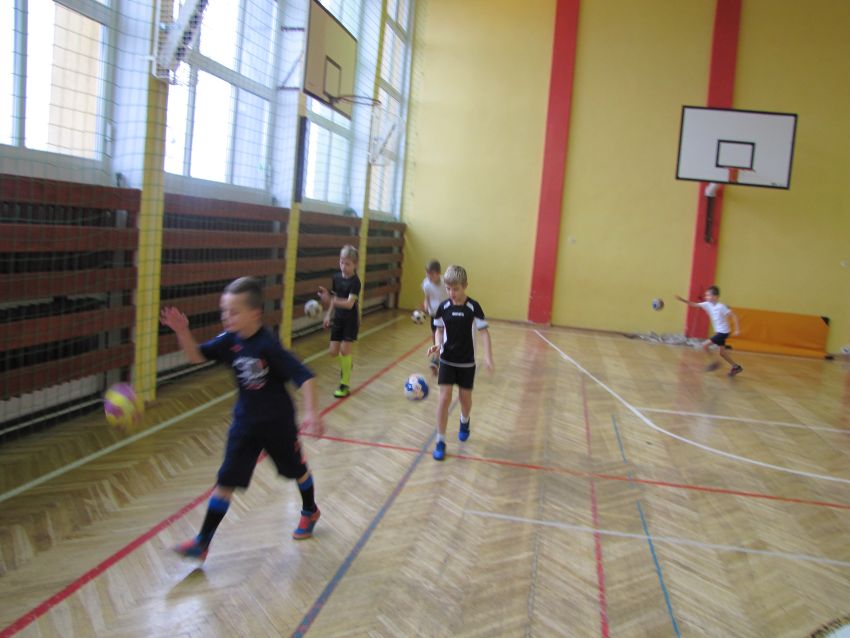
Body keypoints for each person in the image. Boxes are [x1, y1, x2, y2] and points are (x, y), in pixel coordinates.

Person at [160, 277, 324, 561]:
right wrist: (183, 331)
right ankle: (202, 542)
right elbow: (196, 356)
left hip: (277, 425)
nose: (227, 317)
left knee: (297, 470)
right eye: (224, 311)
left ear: (255, 314)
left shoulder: (268, 346)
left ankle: (310, 510)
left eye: (233, 312)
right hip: (245, 424)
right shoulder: (229, 340)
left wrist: (312, 412)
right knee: (226, 480)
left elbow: (305, 377)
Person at [427, 265, 494, 461]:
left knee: (465, 399)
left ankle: (465, 420)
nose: (451, 293)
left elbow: (484, 333)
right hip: (447, 360)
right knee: (444, 398)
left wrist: (488, 357)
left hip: (466, 363)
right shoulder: (444, 307)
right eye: (448, 289)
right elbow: (439, 329)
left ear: (465, 286)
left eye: (455, 289)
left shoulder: (473, 307)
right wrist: (438, 346)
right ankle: (440, 441)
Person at [318, 245, 362, 398]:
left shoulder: (355, 282)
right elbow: (335, 298)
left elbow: (349, 304)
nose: (343, 266)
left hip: (350, 321)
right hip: (338, 319)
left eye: (347, 264)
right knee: (333, 352)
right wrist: (328, 315)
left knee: (344, 350)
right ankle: (347, 363)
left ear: (355, 265)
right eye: (341, 262)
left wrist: (329, 299)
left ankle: (344, 385)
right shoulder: (336, 278)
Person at [676, 285, 743, 376]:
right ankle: (736, 367)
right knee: (722, 353)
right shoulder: (707, 304)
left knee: (705, 345)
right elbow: (694, 304)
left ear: (715, 297)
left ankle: (714, 363)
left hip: (723, 332)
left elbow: (734, 316)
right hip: (719, 332)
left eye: (708, 295)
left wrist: (737, 329)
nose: (706, 297)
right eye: (706, 295)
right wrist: (682, 300)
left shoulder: (721, 307)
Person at [421, 259, 449, 375]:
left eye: (431, 274)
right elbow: (427, 297)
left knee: (444, 335)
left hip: (446, 313)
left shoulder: (446, 283)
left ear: (438, 273)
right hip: (434, 314)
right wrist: (425, 307)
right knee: (435, 335)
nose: (429, 276)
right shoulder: (426, 283)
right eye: (427, 273)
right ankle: (437, 356)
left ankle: (438, 358)